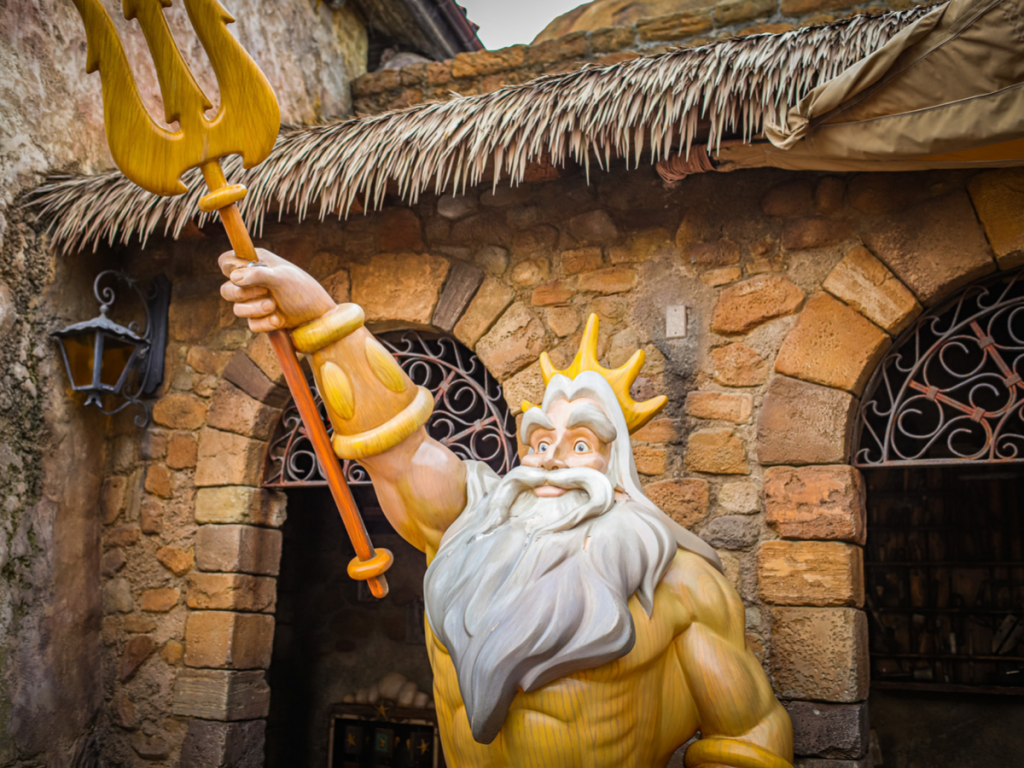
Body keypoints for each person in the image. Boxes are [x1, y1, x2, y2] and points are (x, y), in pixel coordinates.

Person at [219, 248, 794, 768]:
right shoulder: (469, 529)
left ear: (617, 472)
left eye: (579, 447)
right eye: (540, 443)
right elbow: (397, 450)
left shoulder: (684, 589)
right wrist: (320, 318)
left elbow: (748, 737)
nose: (549, 462)